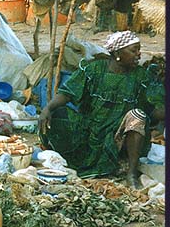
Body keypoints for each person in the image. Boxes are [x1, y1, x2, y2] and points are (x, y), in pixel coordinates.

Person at [39, 31, 165, 189]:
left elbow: (150, 109)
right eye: (134, 50)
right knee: (57, 113)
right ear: (118, 53)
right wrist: (47, 108)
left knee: (137, 115)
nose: (139, 55)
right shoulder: (94, 69)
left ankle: (131, 173)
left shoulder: (140, 76)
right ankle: (63, 155)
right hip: (89, 131)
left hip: (117, 135)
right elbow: (68, 92)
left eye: (139, 50)